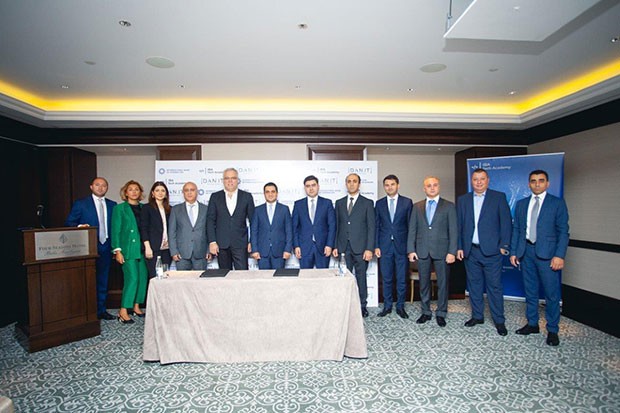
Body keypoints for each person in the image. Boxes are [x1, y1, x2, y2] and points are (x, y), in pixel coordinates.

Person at [510, 170, 569, 346]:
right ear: (529, 184)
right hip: (526, 252)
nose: (537, 184)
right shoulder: (521, 204)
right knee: (530, 291)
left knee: (551, 294)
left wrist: (559, 255)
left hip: (548, 255)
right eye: (533, 181)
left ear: (547, 184)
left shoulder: (557, 203)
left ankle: (553, 330)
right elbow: (517, 229)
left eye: (541, 181)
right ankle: (532, 324)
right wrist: (514, 252)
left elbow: (563, 232)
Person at [457, 168, 512, 336]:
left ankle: (499, 320)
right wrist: (459, 247)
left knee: (494, 287)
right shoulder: (463, 200)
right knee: (474, 286)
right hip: (471, 251)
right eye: (475, 179)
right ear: (471, 181)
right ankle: (477, 316)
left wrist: (504, 246)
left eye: (482, 179)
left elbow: (506, 223)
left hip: (492, 251)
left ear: (488, 180)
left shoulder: (498, 197)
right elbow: (459, 225)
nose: (479, 182)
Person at [407, 176, 457, 326]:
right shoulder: (417, 206)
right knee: (424, 283)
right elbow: (412, 230)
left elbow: (453, 231)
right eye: (429, 186)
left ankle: (441, 313)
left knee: (443, 283)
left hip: (443, 251)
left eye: (435, 185)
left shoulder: (449, 206)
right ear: (424, 189)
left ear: (439, 187)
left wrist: (452, 252)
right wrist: (411, 249)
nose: (432, 188)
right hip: (422, 250)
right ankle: (425, 312)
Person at [65, 177, 117, 320]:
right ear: (91, 187)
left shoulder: (113, 205)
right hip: (87, 248)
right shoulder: (81, 204)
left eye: (104, 185)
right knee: (86, 280)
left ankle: (101, 310)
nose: (100, 188)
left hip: (106, 246)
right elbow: (69, 222)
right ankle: (86, 311)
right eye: (97, 185)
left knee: (103, 280)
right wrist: (79, 226)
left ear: (107, 188)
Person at [333, 173, 375, 318]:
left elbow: (371, 227)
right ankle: (346, 305)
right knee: (344, 278)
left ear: (359, 184)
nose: (351, 184)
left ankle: (362, 305)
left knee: (361, 277)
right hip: (343, 248)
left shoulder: (367, 203)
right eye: (349, 181)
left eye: (354, 181)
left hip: (361, 248)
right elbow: (337, 226)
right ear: (346, 184)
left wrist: (369, 248)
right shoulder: (339, 203)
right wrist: (335, 246)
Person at [375, 175, 413, 319]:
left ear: (398, 185)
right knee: (386, 278)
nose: (389, 187)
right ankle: (387, 306)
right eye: (387, 185)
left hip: (402, 246)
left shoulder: (407, 202)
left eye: (392, 184)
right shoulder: (379, 204)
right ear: (384, 187)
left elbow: (411, 227)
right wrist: (376, 246)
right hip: (384, 246)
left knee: (401, 278)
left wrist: (410, 248)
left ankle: (400, 306)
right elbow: (376, 226)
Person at [111, 180, 148, 324]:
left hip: (143, 249)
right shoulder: (120, 209)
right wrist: (117, 250)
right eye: (131, 189)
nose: (134, 192)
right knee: (132, 279)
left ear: (140, 192)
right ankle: (123, 310)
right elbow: (116, 230)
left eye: (136, 189)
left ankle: (136, 306)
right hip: (128, 249)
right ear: (125, 193)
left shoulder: (144, 208)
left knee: (142, 278)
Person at [207, 168, 255, 270]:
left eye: (233, 178)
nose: (230, 181)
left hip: (240, 243)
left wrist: (252, 241)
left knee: (242, 275)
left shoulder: (246, 196)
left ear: (237, 180)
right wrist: (212, 241)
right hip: (221, 244)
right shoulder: (215, 197)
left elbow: (253, 221)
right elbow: (210, 221)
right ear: (223, 180)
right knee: (224, 275)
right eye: (227, 178)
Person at [292, 175, 336, 269]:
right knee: (305, 276)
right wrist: (296, 246)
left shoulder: (327, 203)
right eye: (308, 186)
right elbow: (294, 228)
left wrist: (329, 245)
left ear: (318, 186)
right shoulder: (298, 204)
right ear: (305, 188)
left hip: (323, 247)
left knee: (323, 276)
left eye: (313, 185)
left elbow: (332, 226)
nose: (311, 188)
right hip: (304, 248)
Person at [250, 182, 293, 269]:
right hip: (262, 253)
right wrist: (254, 250)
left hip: (280, 252)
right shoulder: (258, 210)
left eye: (273, 191)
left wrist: (288, 249)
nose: (270, 194)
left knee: (278, 277)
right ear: (264, 194)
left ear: (277, 193)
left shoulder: (284, 209)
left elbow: (289, 230)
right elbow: (254, 231)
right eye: (267, 192)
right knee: (263, 277)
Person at [169, 182, 209, 270]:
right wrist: (174, 251)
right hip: (181, 254)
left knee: (201, 278)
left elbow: (209, 230)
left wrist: (209, 250)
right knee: (182, 279)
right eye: (186, 190)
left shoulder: (206, 209)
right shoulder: (176, 209)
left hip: (201, 253)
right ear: (183, 193)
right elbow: (172, 232)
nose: (189, 193)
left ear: (197, 192)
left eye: (192, 190)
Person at [140, 181, 172, 278]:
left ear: (166, 194)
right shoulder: (147, 208)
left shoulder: (170, 209)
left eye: (163, 190)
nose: (160, 193)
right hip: (153, 248)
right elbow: (144, 228)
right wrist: (147, 247)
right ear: (153, 193)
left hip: (167, 249)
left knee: (165, 276)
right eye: (157, 190)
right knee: (155, 277)